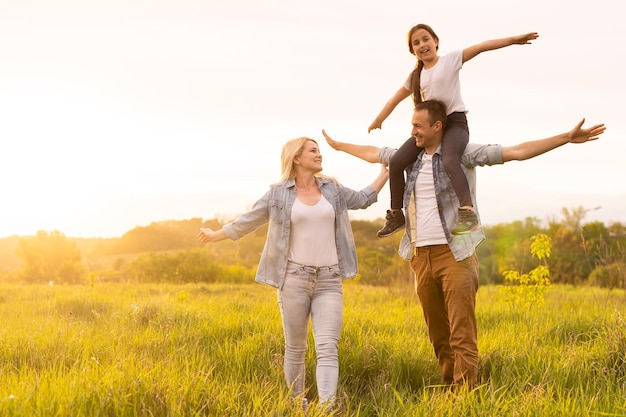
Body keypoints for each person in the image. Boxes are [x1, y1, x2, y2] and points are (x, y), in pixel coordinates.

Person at [324, 100, 605, 389]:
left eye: (418, 126)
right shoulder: (409, 157)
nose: (413, 132)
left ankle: (465, 394)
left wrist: (566, 138)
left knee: (461, 331)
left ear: (437, 126)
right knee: (438, 333)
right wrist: (340, 146)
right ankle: (450, 389)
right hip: (420, 256)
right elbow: (374, 153)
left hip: (455, 253)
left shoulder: (462, 154)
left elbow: (517, 151)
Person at [197, 137, 389, 410]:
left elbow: (362, 199)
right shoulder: (278, 194)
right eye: (313, 150)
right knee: (296, 349)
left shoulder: (332, 189)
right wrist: (216, 234)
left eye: (319, 150)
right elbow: (248, 220)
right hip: (293, 280)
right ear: (296, 158)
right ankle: (298, 405)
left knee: (327, 347)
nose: (319, 154)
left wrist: (384, 172)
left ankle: (327, 407)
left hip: (329, 280)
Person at [370, 24, 539, 238]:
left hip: (455, 124)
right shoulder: (416, 76)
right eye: (416, 43)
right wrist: (379, 119)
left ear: (436, 41)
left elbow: (481, 47)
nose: (422, 45)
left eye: (425, 39)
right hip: (431, 128)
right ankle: (396, 215)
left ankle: (468, 213)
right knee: (395, 162)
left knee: (450, 159)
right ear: (413, 50)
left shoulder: (450, 60)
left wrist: (513, 40)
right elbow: (396, 97)